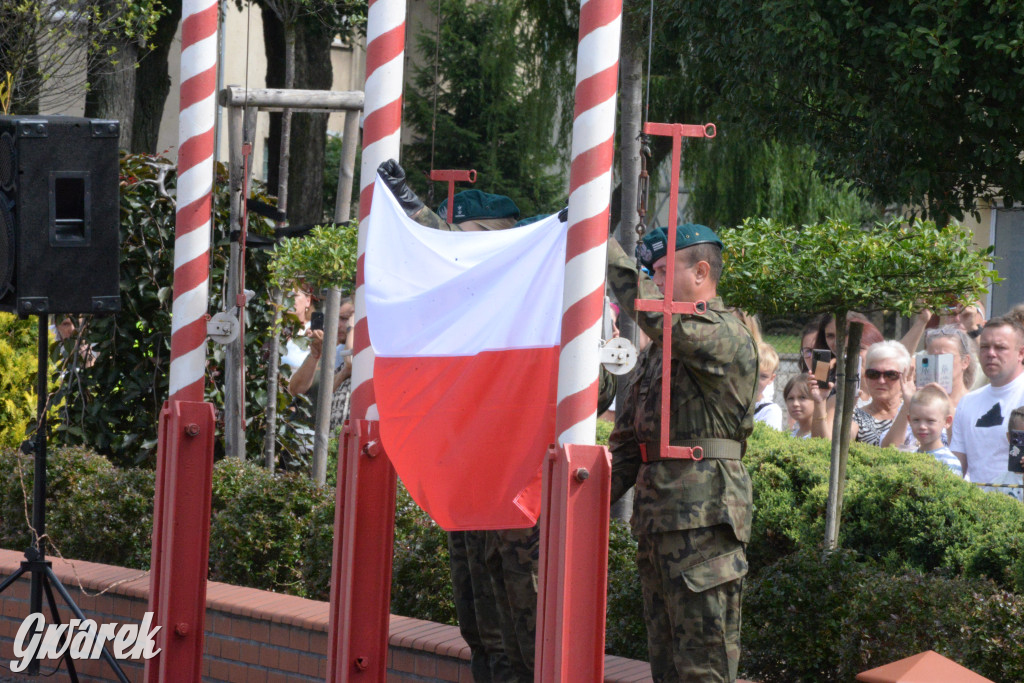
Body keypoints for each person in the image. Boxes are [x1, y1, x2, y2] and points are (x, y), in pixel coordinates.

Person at [378, 159, 541, 681]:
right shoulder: (461, 307)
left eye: (467, 241)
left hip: (517, 495)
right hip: (471, 485)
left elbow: (597, 388)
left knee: (525, 643)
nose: (455, 257)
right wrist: (406, 206)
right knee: (480, 632)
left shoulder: (538, 298)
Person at [606, 223, 758, 681]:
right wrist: (576, 502)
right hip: (659, 524)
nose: (652, 280)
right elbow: (629, 444)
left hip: (703, 522)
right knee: (667, 668)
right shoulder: (658, 352)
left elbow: (657, 313)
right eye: (649, 272)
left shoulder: (724, 333)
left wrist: (605, 248)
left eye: (662, 271)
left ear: (701, 273)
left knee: (703, 670)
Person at [950, 316, 1024, 487]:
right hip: (977, 506)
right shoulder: (967, 402)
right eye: (984, 347)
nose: (991, 353)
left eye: (1000, 347)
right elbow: (956, 466)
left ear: (1021, 353)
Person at [880, 325, 975, 449]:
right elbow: (888, 449)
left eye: (945, 358)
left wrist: (948, 406)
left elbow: (967, 456)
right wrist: (907, 406)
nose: (938, 364)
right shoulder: (917, 402)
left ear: (965, 361)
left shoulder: (973, 404)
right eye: (931, 358)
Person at [812, 340, 912, 446]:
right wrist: (820, 402)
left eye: (891, 374)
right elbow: (829, 447)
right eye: (873, 374)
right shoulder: (857, 416)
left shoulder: (919, 411)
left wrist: (908, 404)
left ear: (904, 377)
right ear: (865, 376)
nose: (881, 381)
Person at [908, 386, 961, 476]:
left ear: (947, 421)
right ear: (909, 420)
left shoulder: (948, 461)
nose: (922, 426)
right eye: (916, 420)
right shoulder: (909, 457)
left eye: (930, 421)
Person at [754, 342, 784, 430]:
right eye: (752, 373)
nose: (756, 381)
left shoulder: (770, 411)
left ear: (771, 379)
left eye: (763, 376)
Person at [784, 374, 816, 438]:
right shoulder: (789, 437)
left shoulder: (821, 437)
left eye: (802, 397)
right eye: (791, 398)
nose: (795, 404)